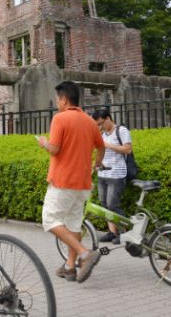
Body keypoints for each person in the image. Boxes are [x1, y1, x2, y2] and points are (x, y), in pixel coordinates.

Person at [36, 81, 105, 283]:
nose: (57, 102)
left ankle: (85, 253)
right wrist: (96, 164)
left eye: (58, 99)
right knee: (73, 223)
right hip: (83, 183)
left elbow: (54, 149)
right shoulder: (90, 121)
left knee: (50, 220)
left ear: (64, 99)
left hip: (62, 181)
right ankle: (69, 266)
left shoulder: (60, 118)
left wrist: (43, 143)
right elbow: (101, 148)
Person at [91, 109, 133, 244]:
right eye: (97, 125)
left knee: (113, 204)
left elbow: (128, 149)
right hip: (103, 173)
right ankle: (112, 233)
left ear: (108, 118)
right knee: (104, 205)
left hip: (117, 174)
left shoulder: (122, 130)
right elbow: (100, 153)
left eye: (101, 123)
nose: (100, 127)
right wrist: (94, 166)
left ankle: (124, 234)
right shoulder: (102, 135)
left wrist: (108, 145)